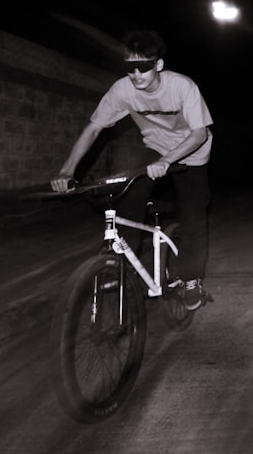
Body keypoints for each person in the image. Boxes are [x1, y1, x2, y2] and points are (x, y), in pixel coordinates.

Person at [51, 30, 214, 311]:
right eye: (130, 67)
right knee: (130, 196)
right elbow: (94, 129)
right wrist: (66, 171)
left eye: (144, 67)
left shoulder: (182, 87)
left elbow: (199, 134)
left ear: (158, 65)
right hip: (156, 150)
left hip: (192, 155)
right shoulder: (122, 90)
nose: (136, 74)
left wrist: (168, 160)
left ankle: (191, 280)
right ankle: (120, 267)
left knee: (194, 214)